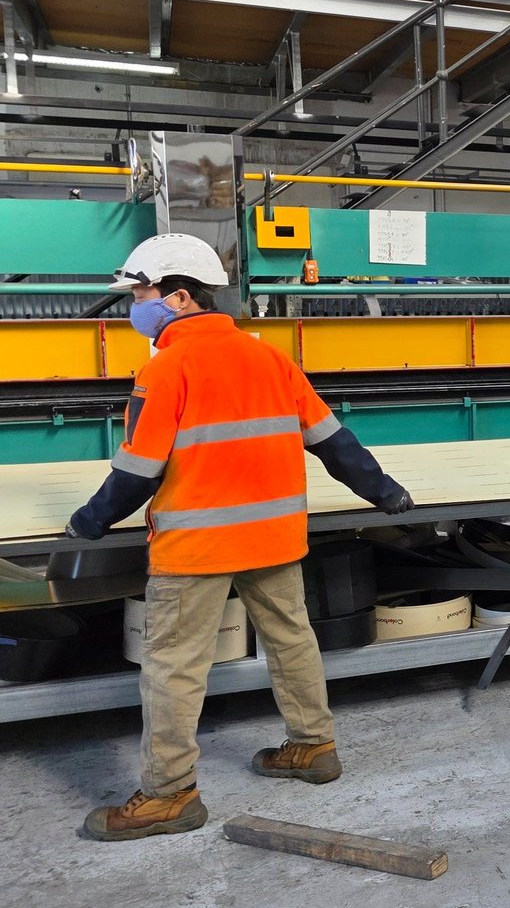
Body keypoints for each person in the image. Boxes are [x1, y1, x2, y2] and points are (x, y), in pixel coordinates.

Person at [65, 234, 415, 841]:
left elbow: (139, 471)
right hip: (275, 538)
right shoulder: (269, 358)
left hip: (196, 549)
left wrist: (90, 520)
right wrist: (386, 493)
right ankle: (313, 748)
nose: (135, 306)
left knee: (174, 667)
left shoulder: (167, 367)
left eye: (141, 293)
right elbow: (336, 443)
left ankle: (169, 796)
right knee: (292, 641)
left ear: (177, 298)